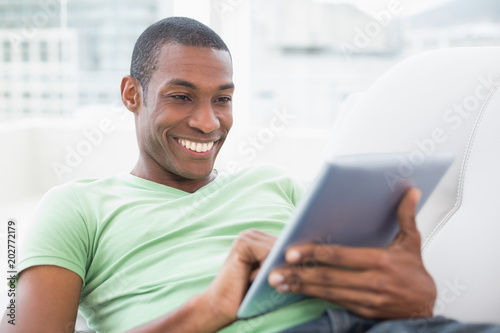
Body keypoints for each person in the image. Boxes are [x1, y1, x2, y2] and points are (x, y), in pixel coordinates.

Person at [2, 17, 499, 333]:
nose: (208, 122)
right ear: (132, 94)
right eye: (181, 96)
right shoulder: (76, 206)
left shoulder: (276, 184)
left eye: (223, 98)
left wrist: (415, 297)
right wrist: (210, 309)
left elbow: (399, 303)